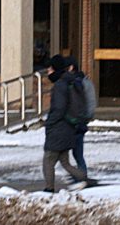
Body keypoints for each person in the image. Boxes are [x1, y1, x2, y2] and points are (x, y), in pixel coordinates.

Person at [42, 55, 88, 193]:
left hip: (58, 129)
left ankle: (49, 189)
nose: (48, 72)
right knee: (64, 162)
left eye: (50, 69)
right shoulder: (70, 82)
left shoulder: (60, 85)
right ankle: (84, 178)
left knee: (48, 160)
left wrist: (49, 123)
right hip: (68, 128)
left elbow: (59, 108)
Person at [64, 56, 97, 184]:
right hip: (79, 121)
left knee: (77, 153)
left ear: (71, 68)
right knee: (76, 152)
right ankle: (78, 175)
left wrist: (85, 117)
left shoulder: (80, 83)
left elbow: (90, 102)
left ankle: (81, 176)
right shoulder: (82, 81)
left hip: (78, 122)